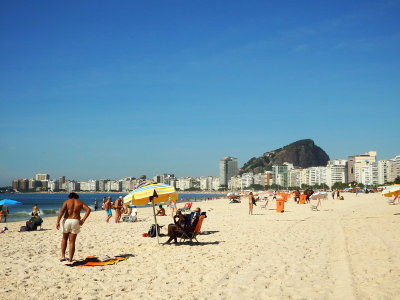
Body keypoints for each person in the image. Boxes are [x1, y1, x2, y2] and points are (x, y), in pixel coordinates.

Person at [56, 192, 91, 262]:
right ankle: (70, 259)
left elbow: (61, 212)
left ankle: (63, 256)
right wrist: (83, 219)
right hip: (75, 220)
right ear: (76, 197)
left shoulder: (66, 202)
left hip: (67, 220)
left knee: (64, 239)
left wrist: (58, 222)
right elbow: (88, 210)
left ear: (70, 197)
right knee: (72, 241)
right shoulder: (80, 202)